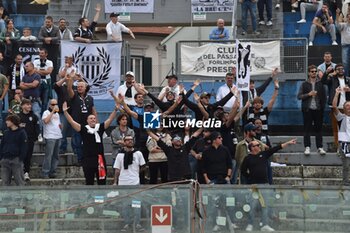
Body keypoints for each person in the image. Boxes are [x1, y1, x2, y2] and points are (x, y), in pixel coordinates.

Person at [241, 138, 296, 232]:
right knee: (252, 205)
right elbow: (243, 171)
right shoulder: (247, 158)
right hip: (253, 185)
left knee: (265, 206)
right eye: (256, 145)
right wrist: (249, 179)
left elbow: (276, 148)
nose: (259, 146)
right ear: (252, 148)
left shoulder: (263, 154)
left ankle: (265, 224)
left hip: (265, 184)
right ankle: (250, 224)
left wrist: (288, 143)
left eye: (258, 145)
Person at [63, 101, 117, 185]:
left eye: (94, 118)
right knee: (89, 181)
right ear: (87, 120)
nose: (93, 119)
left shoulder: (100, 128)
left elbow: (110, 119)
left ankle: (101, 198)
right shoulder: (84, 128)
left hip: (100, 159)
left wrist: (115, 109)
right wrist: (65, 112)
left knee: (102, 181)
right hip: (88, 159)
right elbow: (71, 122)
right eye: (91, 118)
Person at [113, 135, 146, 232]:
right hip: (123, 183)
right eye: (128, 140)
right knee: (125, 205)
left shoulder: (138, 153)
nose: (130, 142)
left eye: (131, 140)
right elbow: (117, 170)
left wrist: (136, 172)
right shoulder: (120, 155)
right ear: (124, 142)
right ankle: (127, 223)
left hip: (135, 183)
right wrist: (115, 181)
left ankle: (137, 223)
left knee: (136, 204)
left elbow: (143, 166)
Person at [67, 74, 97, 165]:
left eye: (81, 87)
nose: (79, 88)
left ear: (85, 88)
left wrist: (96, 123)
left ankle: (85, 158)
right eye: (78, 87)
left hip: (87, 124)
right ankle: (79, 159)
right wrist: (71, 79)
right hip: (76, 123)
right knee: (76, 142)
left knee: (87, 142)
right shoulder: (74, 96)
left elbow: (93, 110)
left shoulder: (90, 98)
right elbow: (69, 89)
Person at [298, 64, 327, 155]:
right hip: (307, 109)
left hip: (318, 109)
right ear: (309, 73)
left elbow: (324, 97)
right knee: (307, 129)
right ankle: (307, 147)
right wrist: (309, 94)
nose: (314, 73)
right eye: (312, 71)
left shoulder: (320, 83)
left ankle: (320, 147)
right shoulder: (304, 84)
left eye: (315, 71)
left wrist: (322, 107)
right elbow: (299, 96)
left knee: (318, 129)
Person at [321, 63, 350, 148]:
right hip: (336, 106)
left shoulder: (348, 79)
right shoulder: (332, 79)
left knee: (347, 127)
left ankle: (346, 145)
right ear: (336, 70)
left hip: (347, 107)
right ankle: (338, 146)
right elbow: (323, 81)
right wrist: (326, 72)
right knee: (336, 128)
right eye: (338, 69)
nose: (341, 70)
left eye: (342, 69)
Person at [0, 114, 27, 186]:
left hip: (16, 159)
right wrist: (1, 158)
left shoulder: (22, 133)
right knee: (5, 182)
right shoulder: (6, 133)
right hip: (5, 159)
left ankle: (22, 196)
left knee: (19, 181)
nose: (6, 122)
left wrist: (20, 158)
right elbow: (2, 145)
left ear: (13, 122)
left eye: (8, 121)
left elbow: (24, 146)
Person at [19, 61, 42, 142]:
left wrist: (26, 84)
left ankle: (39, 134)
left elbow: (34, 85)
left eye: (27, 66)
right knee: (24, 116)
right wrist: (30, 84)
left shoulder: (37, 76)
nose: (26, 67)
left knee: (37, 116)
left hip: (35, 99)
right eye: (25, 66)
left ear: (32, 67)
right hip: (26, 100)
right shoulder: (25, 77)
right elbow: (21, 86)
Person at [18, 98, 40, 182]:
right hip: (20, 141)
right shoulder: (18, 116)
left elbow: (37, 128)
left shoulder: (33, 116)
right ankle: (19, 172)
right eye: (27, 104)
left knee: (28, 156)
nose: (29, 106)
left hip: (30, 140)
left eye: (30, 104)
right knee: (20, 156)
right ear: (22, 106)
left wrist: (35, 137)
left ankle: (26, 172)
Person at [332, 87, 350, 185]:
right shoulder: (341, 117)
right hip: (345, 144)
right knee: (346, 164)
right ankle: (346, 181)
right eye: (347, 106)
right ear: (344, 108)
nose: (349, 107)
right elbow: (334, 107)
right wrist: (337, 93)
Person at [41, 99, 62, 178]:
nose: (55, 106)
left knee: (56, 156)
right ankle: (45, 172)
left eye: (56, 104)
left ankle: (53, 171)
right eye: (53, 104)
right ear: (49, 105)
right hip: (49, 136)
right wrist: (52, 112)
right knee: (48, 155)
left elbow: (58, 124)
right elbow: (45, 121)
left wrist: (60, 127)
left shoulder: (57, 114)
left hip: (58, 135)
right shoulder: (46, 112)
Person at [33, 47, 53, 114]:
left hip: (46, 82)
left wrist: (38, 71)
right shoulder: (35, 61)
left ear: (46, 54)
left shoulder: (50, 62)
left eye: (42, 53)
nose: (40, 54)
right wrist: (44, 71)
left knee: (45, 101)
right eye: (39, 53)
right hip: (37, 82)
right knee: (36, 99)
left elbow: (49, 71)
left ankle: (43, 115)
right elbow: (34, 71)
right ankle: (37, 114)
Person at [336, 9, 350, 77]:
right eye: (348, 17)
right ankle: (346, 77)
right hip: (345, 45)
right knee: (345, 63)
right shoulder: (343, 25)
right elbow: (337, 25)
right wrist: (337, 14)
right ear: (346, 18)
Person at [0, 71, 8, 135]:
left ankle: (0, 130)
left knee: (0, 116)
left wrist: (1, 98)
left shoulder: (2, 77)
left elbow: (6, 88)